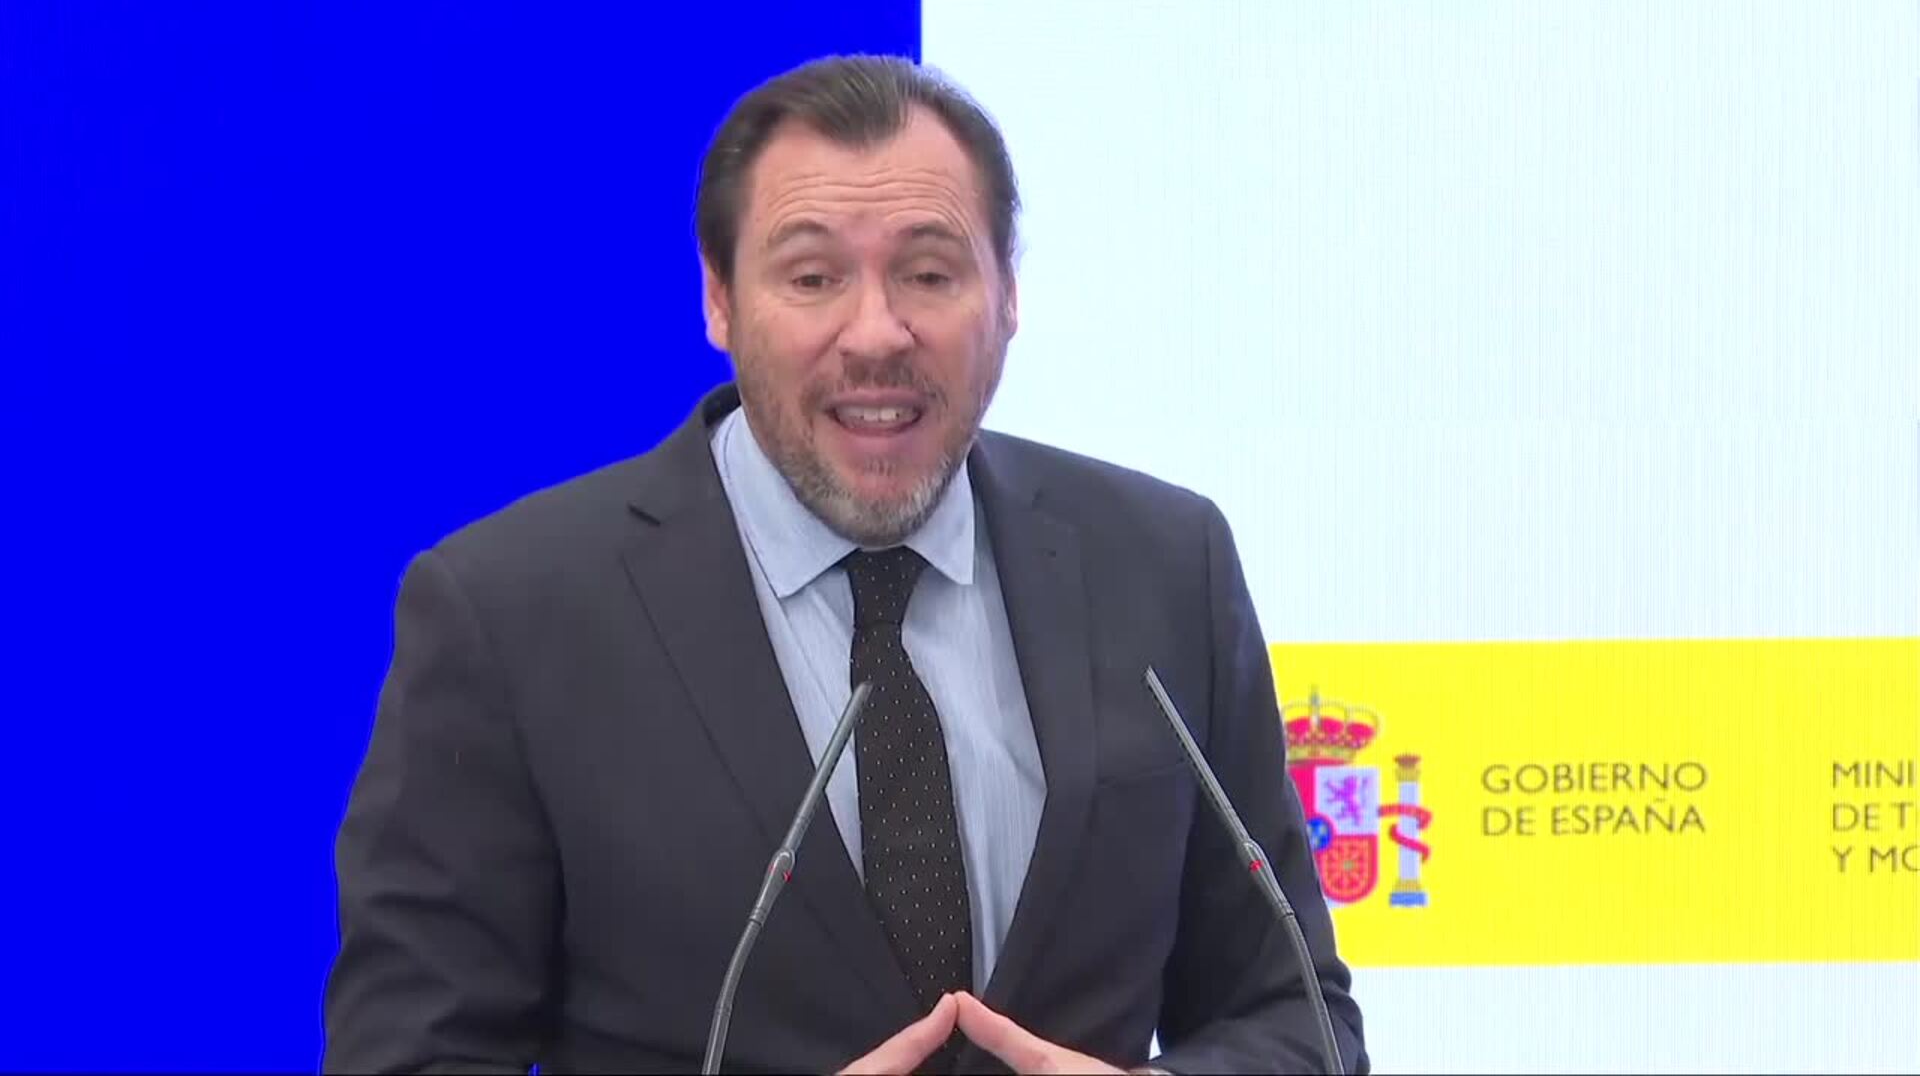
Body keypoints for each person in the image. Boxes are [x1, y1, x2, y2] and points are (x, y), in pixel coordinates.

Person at [323, 53, 1368, 1075]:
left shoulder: (1163, 563)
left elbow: (1296, 1019)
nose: (876, 334)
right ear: (720, 300)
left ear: (1007, 295)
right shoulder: (512, 614)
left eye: (929, 273)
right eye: (813, 276)